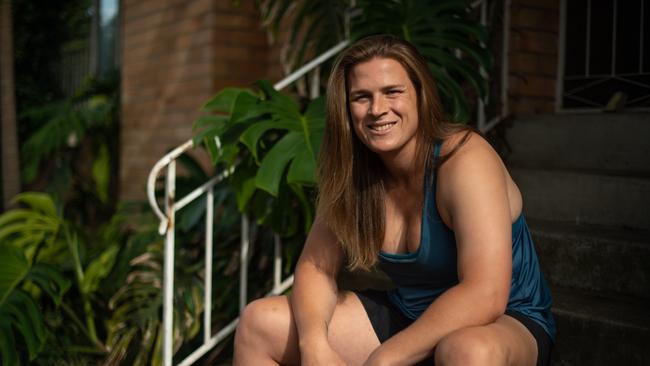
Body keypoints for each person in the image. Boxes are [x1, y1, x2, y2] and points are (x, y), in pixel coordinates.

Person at [233, 34, 556, 366]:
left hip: (502, 322)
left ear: (420, 94)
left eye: (392, 91)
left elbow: (486, 293)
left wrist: (384, 358)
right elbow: (316, 267)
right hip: (409, 315)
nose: (377, 109)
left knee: (466, 350)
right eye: (361, 97)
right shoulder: (355, 175)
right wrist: (314, 345)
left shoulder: (463, 159)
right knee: (259, 323)